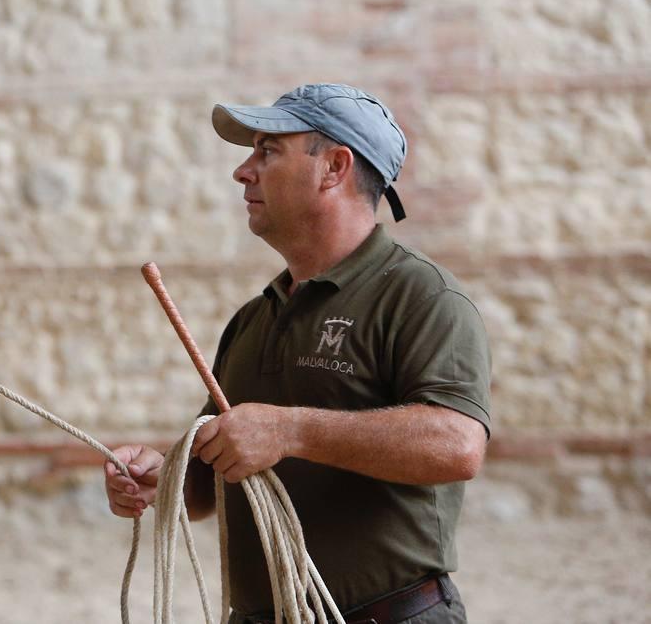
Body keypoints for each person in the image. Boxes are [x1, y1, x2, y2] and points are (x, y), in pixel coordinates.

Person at [104, 84, 490, 624]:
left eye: (268, 151)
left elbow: (458, 445)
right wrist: (161, 480)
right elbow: (209, 484)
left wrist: (290, 432)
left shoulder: (421, 297)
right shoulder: (254, 317)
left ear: (333, 167)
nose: (244, 171)